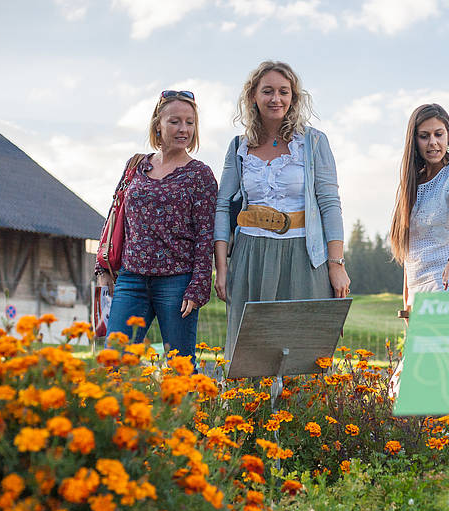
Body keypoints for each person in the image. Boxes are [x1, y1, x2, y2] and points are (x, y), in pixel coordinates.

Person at [214, 61, 350, 357]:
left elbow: (330, 204)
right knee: (251, 351)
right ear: (253, 96)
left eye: (283, 92)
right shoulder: (239, 146)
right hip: (251, 254)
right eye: (268, 91)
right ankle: (251, 405)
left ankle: (302, 405)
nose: (276, 99)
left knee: (304, 351)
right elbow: (223, 206)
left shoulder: (313, 143)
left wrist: (336, 264)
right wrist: (222, 269)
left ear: (293, 98)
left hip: (303, 254)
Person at [97, 90, 217, 363]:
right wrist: (103, 267)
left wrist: (198, 285)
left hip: (177, 282)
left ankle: (185, 408)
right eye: (175, 121)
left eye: (190, 122)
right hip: (131, 278)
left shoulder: (200, 174)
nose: (183, 129)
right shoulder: (136, 165)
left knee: (180, 367)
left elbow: (205, 235)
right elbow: (116, 214)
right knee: (114, 362)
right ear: (158, 124)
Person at [389, 103, 449, 315]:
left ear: (448, 137)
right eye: (424, 136)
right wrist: (407, 300)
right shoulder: (410, 185)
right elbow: (411, 248)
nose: (433, 142)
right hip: (420, 291)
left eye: (438, 134)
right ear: (414, 141)